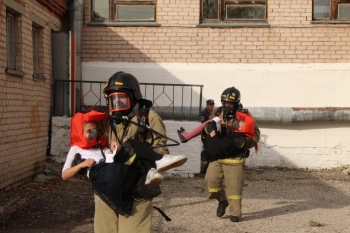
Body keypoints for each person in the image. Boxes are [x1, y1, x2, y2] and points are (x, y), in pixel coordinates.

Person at [96, 71, 181, 233]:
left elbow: (161, 152)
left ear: (133, 96)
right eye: (112, 98)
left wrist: (137, 152)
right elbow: (99, 148)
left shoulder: (149, 118)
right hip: (111, 187)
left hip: (137, 190)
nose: (116, 102)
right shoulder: (110, 121)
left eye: (121, 97)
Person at [205, 87, 260, 223]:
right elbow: (208, 125)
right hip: (218, 155)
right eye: (225, 103)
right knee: (211, 180)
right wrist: (208, 128)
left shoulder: (245, 116)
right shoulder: (217, 112)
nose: (227, 106)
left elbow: (256, 134)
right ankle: (222, 200)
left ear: (237, 104)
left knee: (234, 186)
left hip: (235, 157)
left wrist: (246, 142)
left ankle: (235, 213)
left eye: (231, 104)